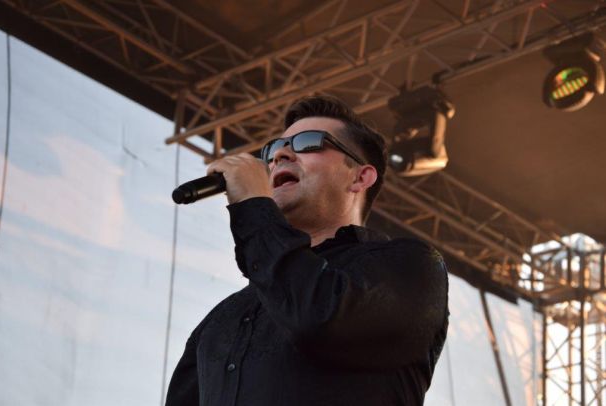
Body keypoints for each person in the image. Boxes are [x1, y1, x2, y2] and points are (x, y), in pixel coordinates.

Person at [165, 95, 449, 406]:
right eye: (274, 149)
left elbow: (320, 320)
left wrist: (254, 206)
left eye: (309, 143)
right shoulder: (223, 318)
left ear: (360, 176)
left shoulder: (410, 267)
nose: (280, 155)